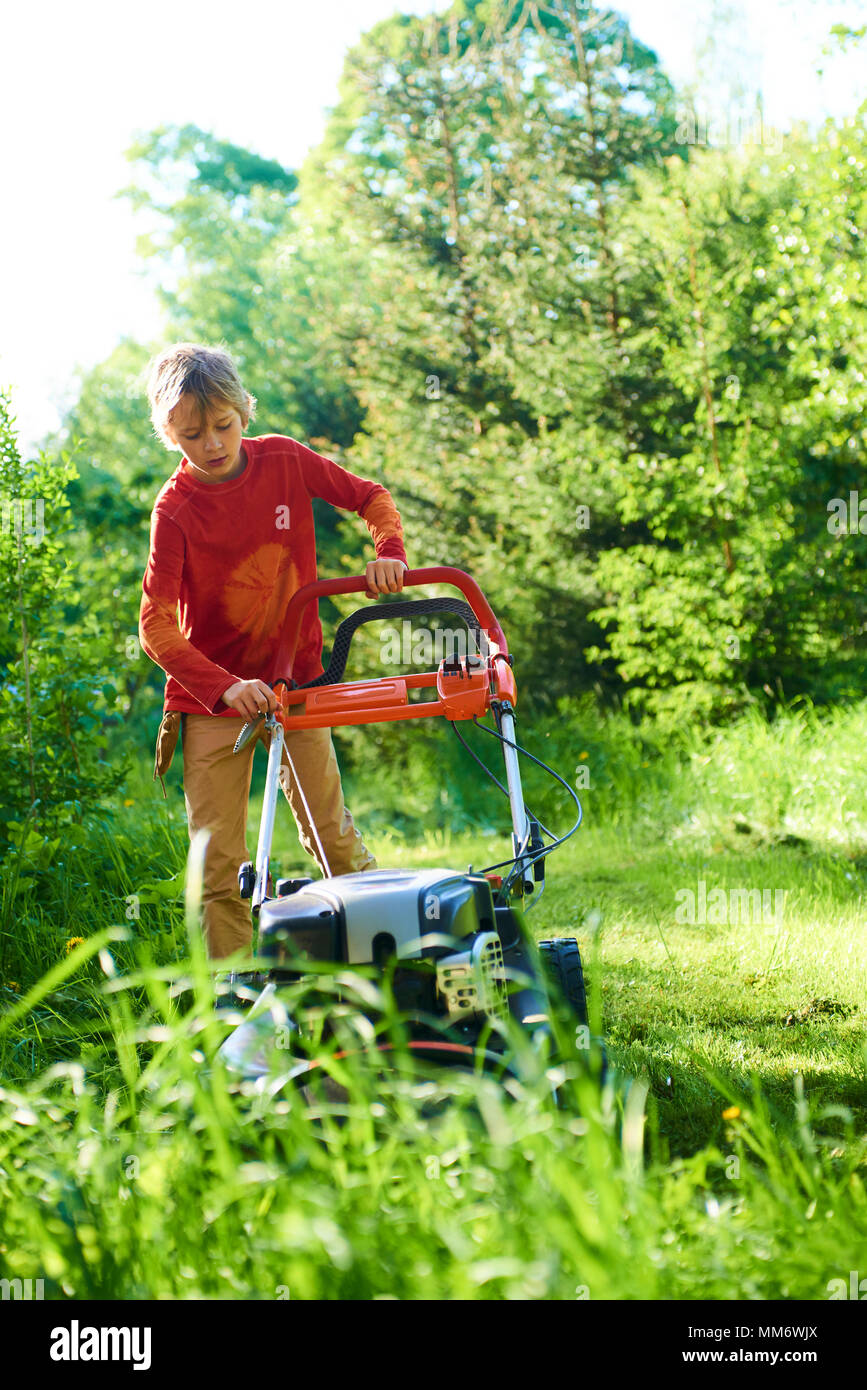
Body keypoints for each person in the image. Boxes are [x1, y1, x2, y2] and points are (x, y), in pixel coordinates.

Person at [139, 341, 408, 962]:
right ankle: (233, 999)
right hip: (213, 704)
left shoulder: (287, 461)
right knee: (219, 866)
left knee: (334, 841)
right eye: (192, 435)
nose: (211, 444)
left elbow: (372, 497)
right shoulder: (175, 510)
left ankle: (383, 964)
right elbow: (155, 624)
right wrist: (226, 686)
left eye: (223, 426)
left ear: (243, 411)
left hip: (297, 686)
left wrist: (389, 551)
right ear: (169, 433)